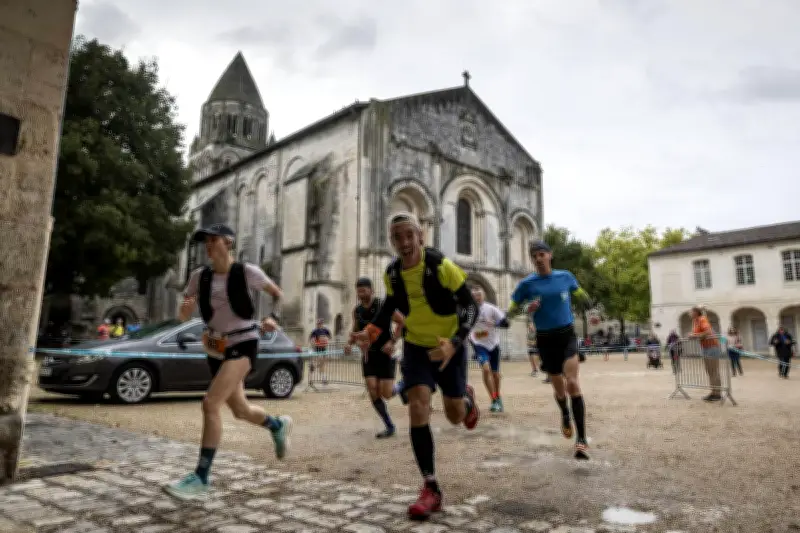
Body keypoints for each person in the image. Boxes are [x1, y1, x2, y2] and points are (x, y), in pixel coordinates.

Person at [350, 212, 480, 520]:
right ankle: (430, 487)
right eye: (397, 237)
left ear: (420, 236)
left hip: (448, 346)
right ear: (392, 241)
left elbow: (470, 307)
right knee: (418, 406)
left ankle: (466, 400)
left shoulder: (441, 266)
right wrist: (370, 332)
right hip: (416, 348)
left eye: (409, 235)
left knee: (454, 415)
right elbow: (390, 307)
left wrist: (455, 342)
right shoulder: (393, 273)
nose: (404, 242)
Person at [163, 223, 292, 500]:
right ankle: (277, 425)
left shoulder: (247, 272)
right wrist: (184, 311)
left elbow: (278, 295)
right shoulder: (199, 276)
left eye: (214, 240)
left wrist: (273, 317)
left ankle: (201, 477)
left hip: (244, 343)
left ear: (228, 242)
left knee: (210, 403)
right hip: (216, 347)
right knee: (241, 410)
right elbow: (183, 315)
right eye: (206, 242)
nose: (208, 246)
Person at [507, 240, 592, 460]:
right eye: (534, 256)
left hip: (566, 335)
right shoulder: (527, 284)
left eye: (541, 254)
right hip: (545, 339)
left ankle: (581, 440)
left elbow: (581, 294)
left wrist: (588, 303)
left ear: (549, 255)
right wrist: (526, 308)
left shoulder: (565, 277)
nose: (538, 258)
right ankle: (564, 412)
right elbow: (512, 310)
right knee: (559, 389)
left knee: (572, 383)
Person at [344, 277, 404, 438]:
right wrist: (349, 343)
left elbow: (402, 322)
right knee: (372, 389)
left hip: (386, 353)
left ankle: (404, 385)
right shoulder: (357, 311)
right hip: (369, 355)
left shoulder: (383, 306)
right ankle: (389, 426)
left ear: (372, 290)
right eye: (358, 291)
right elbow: (355, 330)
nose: (360, 294)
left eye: (363, 291)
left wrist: (392, 341)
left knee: (387, 393)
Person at [469, 286, 510, 412]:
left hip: (493, 344)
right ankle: (493, 399)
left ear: (483, 295)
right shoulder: (469, 310)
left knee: (496, 374)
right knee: (486, 370)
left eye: (479, 294)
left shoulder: (491, 308)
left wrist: (495, 323)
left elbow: (506, 323)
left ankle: (497, 396)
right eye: (474, 295)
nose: (477, 297)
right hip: (479, 344)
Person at [689, 306, 722, 401]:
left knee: (713, 371)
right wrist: (693, 335)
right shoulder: (696, 321)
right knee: (710, 371)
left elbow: (708, 331)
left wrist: (694, 335)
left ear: (695, 312)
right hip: (706, 347)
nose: (689, 313)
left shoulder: (702, 319)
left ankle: (717, 394)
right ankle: (714, 392)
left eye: (691, 312)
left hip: (711, 346)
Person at [309, 318, 332, 384]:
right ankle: (311, 379)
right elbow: (311, 340)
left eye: (320, 323)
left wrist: (326, 340)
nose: (319, 325)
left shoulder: (325, 330)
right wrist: (314, 345)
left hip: (323, 349)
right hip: (317, 350)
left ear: (322, 324)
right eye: (318, 324)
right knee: (319, 363)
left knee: (322, 364)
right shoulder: (315, 331)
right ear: (317, 324)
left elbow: (329, 337)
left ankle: (323, 379)